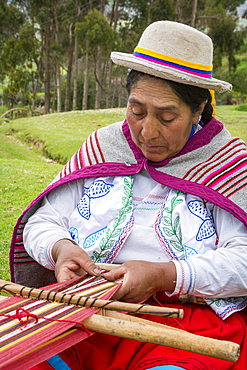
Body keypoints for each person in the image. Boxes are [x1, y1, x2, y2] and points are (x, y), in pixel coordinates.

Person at [10, 20, 247, 370]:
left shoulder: (226, 163)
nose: (147, 131)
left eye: (167, 117)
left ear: (199, 110)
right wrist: (61, 248)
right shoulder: (105, 147)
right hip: (84, 311)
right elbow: (43, 220)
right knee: (24, 360)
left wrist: (166, 274)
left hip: (187, 319)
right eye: (137, 111)